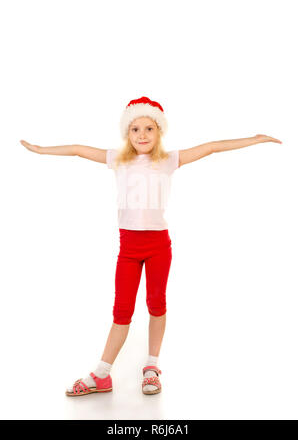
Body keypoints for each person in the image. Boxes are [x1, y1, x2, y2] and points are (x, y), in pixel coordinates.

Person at [20, 96, 282, 396]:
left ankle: (152, 367)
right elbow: (78, 150)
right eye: (134, 129)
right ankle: (102, 374)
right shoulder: (117, 159)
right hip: (128, 249)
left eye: (148, 128)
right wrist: (41, 150)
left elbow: (211, 147)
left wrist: (254, 139)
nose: (142, 135)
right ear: (126, 134)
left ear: (159, 132)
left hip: (158, 246)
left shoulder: (168, 160)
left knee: (156, 305)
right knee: (122, 311)